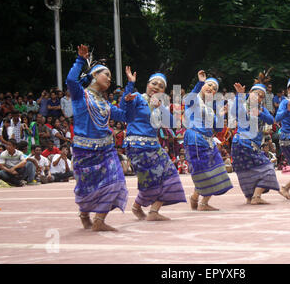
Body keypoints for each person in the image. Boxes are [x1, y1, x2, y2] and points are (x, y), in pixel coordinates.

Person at [66, 44, 130, 232]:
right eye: (107, 75)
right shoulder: (80, 95)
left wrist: (128, 93)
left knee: (117, 181)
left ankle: (99, 220)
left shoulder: (105, 103)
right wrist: (80, 59)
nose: (109, 79)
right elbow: (71, 79)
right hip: (84, 149)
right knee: (86, 187)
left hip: (106, 149)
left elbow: (124, 116)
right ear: (94, 75)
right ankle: (84, 214)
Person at [119, 68, 186, 221]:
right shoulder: (137, 98)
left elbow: (172, 123)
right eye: (153, 83)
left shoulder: (160, 105)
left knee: (170, 174)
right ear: (147, 84)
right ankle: (139, 207)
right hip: (137, 146)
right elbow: (123, 107)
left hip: (154, 147)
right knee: (150, 179)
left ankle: (152, 211)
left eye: (160, 86)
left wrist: (160, 107)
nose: (156, 87)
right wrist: (130, 84)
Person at [184, 71, 233, 210]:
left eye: (214, 88)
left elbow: (217, 128)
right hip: (195, 139)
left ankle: (195, 198)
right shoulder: (193, 100)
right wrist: (200, 82)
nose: (211, 88)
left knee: (217, 169)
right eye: (208, 85)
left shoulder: (211, 109)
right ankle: (202, 203)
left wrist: (221, 115)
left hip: (208, 142)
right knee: (204, 170)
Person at [231, 75, 279, 205]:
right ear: (250, 93)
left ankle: (250, 197)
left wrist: (260, 113)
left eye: (262, 96)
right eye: (256, 94)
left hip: (243, 144)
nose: (259, 97)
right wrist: (239, 95)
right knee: (268, 168)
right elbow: (234, 112)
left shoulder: (261, 109)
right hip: (244, 143)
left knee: (247, 171)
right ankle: (256, 196)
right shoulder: (243, 105)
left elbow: (271, 120)